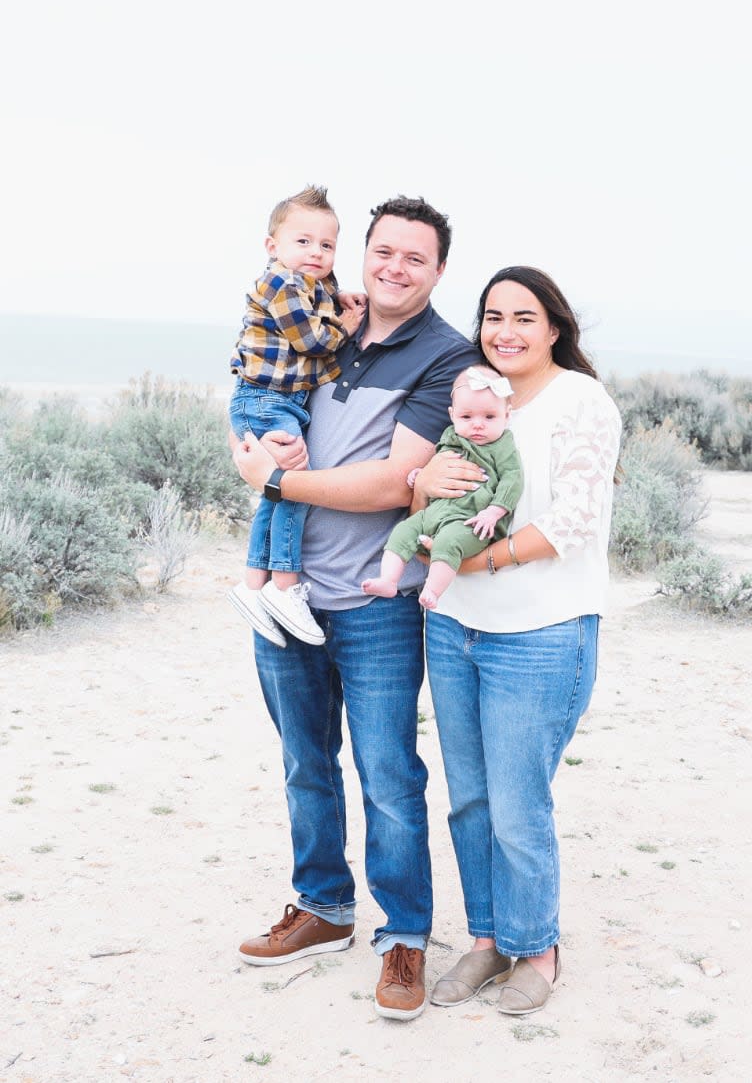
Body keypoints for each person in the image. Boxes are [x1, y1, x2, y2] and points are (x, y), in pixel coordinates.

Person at [231, 196, 480, 1021]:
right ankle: (323, 908)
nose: (395, 267)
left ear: (438, 270)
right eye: (384, 251)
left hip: (377, 605)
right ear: (364, 254)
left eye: (415, 257)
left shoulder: (446, 356)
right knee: (305, 764)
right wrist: (255, 448)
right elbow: (259, 397)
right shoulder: (326, 321)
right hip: (288, 596)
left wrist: (272, 480)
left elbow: (390, 482)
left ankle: (403, 934)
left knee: (388, 778)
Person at [418, 266, 622, 1016]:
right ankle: (486, 939)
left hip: (541, 632)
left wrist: (485, 558)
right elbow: (433, 492)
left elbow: (573, 520)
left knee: (516, 802)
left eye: (523, 317)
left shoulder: (580, 401)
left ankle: (537, 946)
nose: (505, 331)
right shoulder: (474, 394)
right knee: (468, 799)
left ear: (554, 328)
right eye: (492, 316)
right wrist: (426, 485)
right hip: (453, 626)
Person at [228, 185, 364, 649]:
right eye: (303, 242)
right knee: (293, 487)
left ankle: (253, 584)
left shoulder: (312, 285)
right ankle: (284, 587)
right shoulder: (280, 284)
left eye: (326, 245)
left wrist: (339, 296)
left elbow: (322, 297)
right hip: (266, 399)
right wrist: (345, 327)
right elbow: (311, 341)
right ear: (274, 247)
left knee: (275, 491)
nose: (316, 253)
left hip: (276, 401)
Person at [362, 364, 523, 610]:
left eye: (489, 417)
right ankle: (388, 580)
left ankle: (433, 590)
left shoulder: (502, 445)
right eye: (466, 417)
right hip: (436, 512)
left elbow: (512, 478)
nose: (477, 425)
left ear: (507, 415)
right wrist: (422, 474)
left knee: (448, 542)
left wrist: (495, 511)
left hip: (472, 520)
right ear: (452, 414)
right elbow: (439, 462)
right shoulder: (451, 436)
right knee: (403, 531)